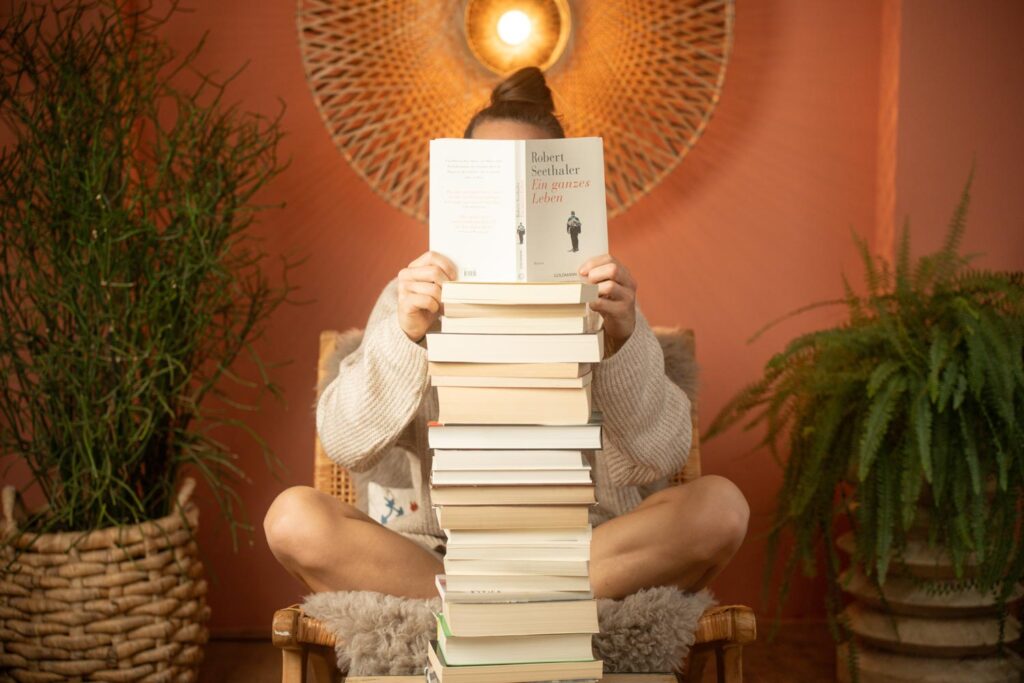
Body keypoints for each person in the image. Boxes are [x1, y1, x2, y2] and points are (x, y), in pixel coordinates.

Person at [264, 66, 749, 601]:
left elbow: (662, 455)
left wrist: (622, 340)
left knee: (720, 508)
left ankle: (489, 608)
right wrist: (407, 335)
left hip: (587, 546)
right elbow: (346, 442)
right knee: (292, 518)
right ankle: (515, 606)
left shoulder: (605, 297)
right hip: (440, 554)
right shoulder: (411, 295)